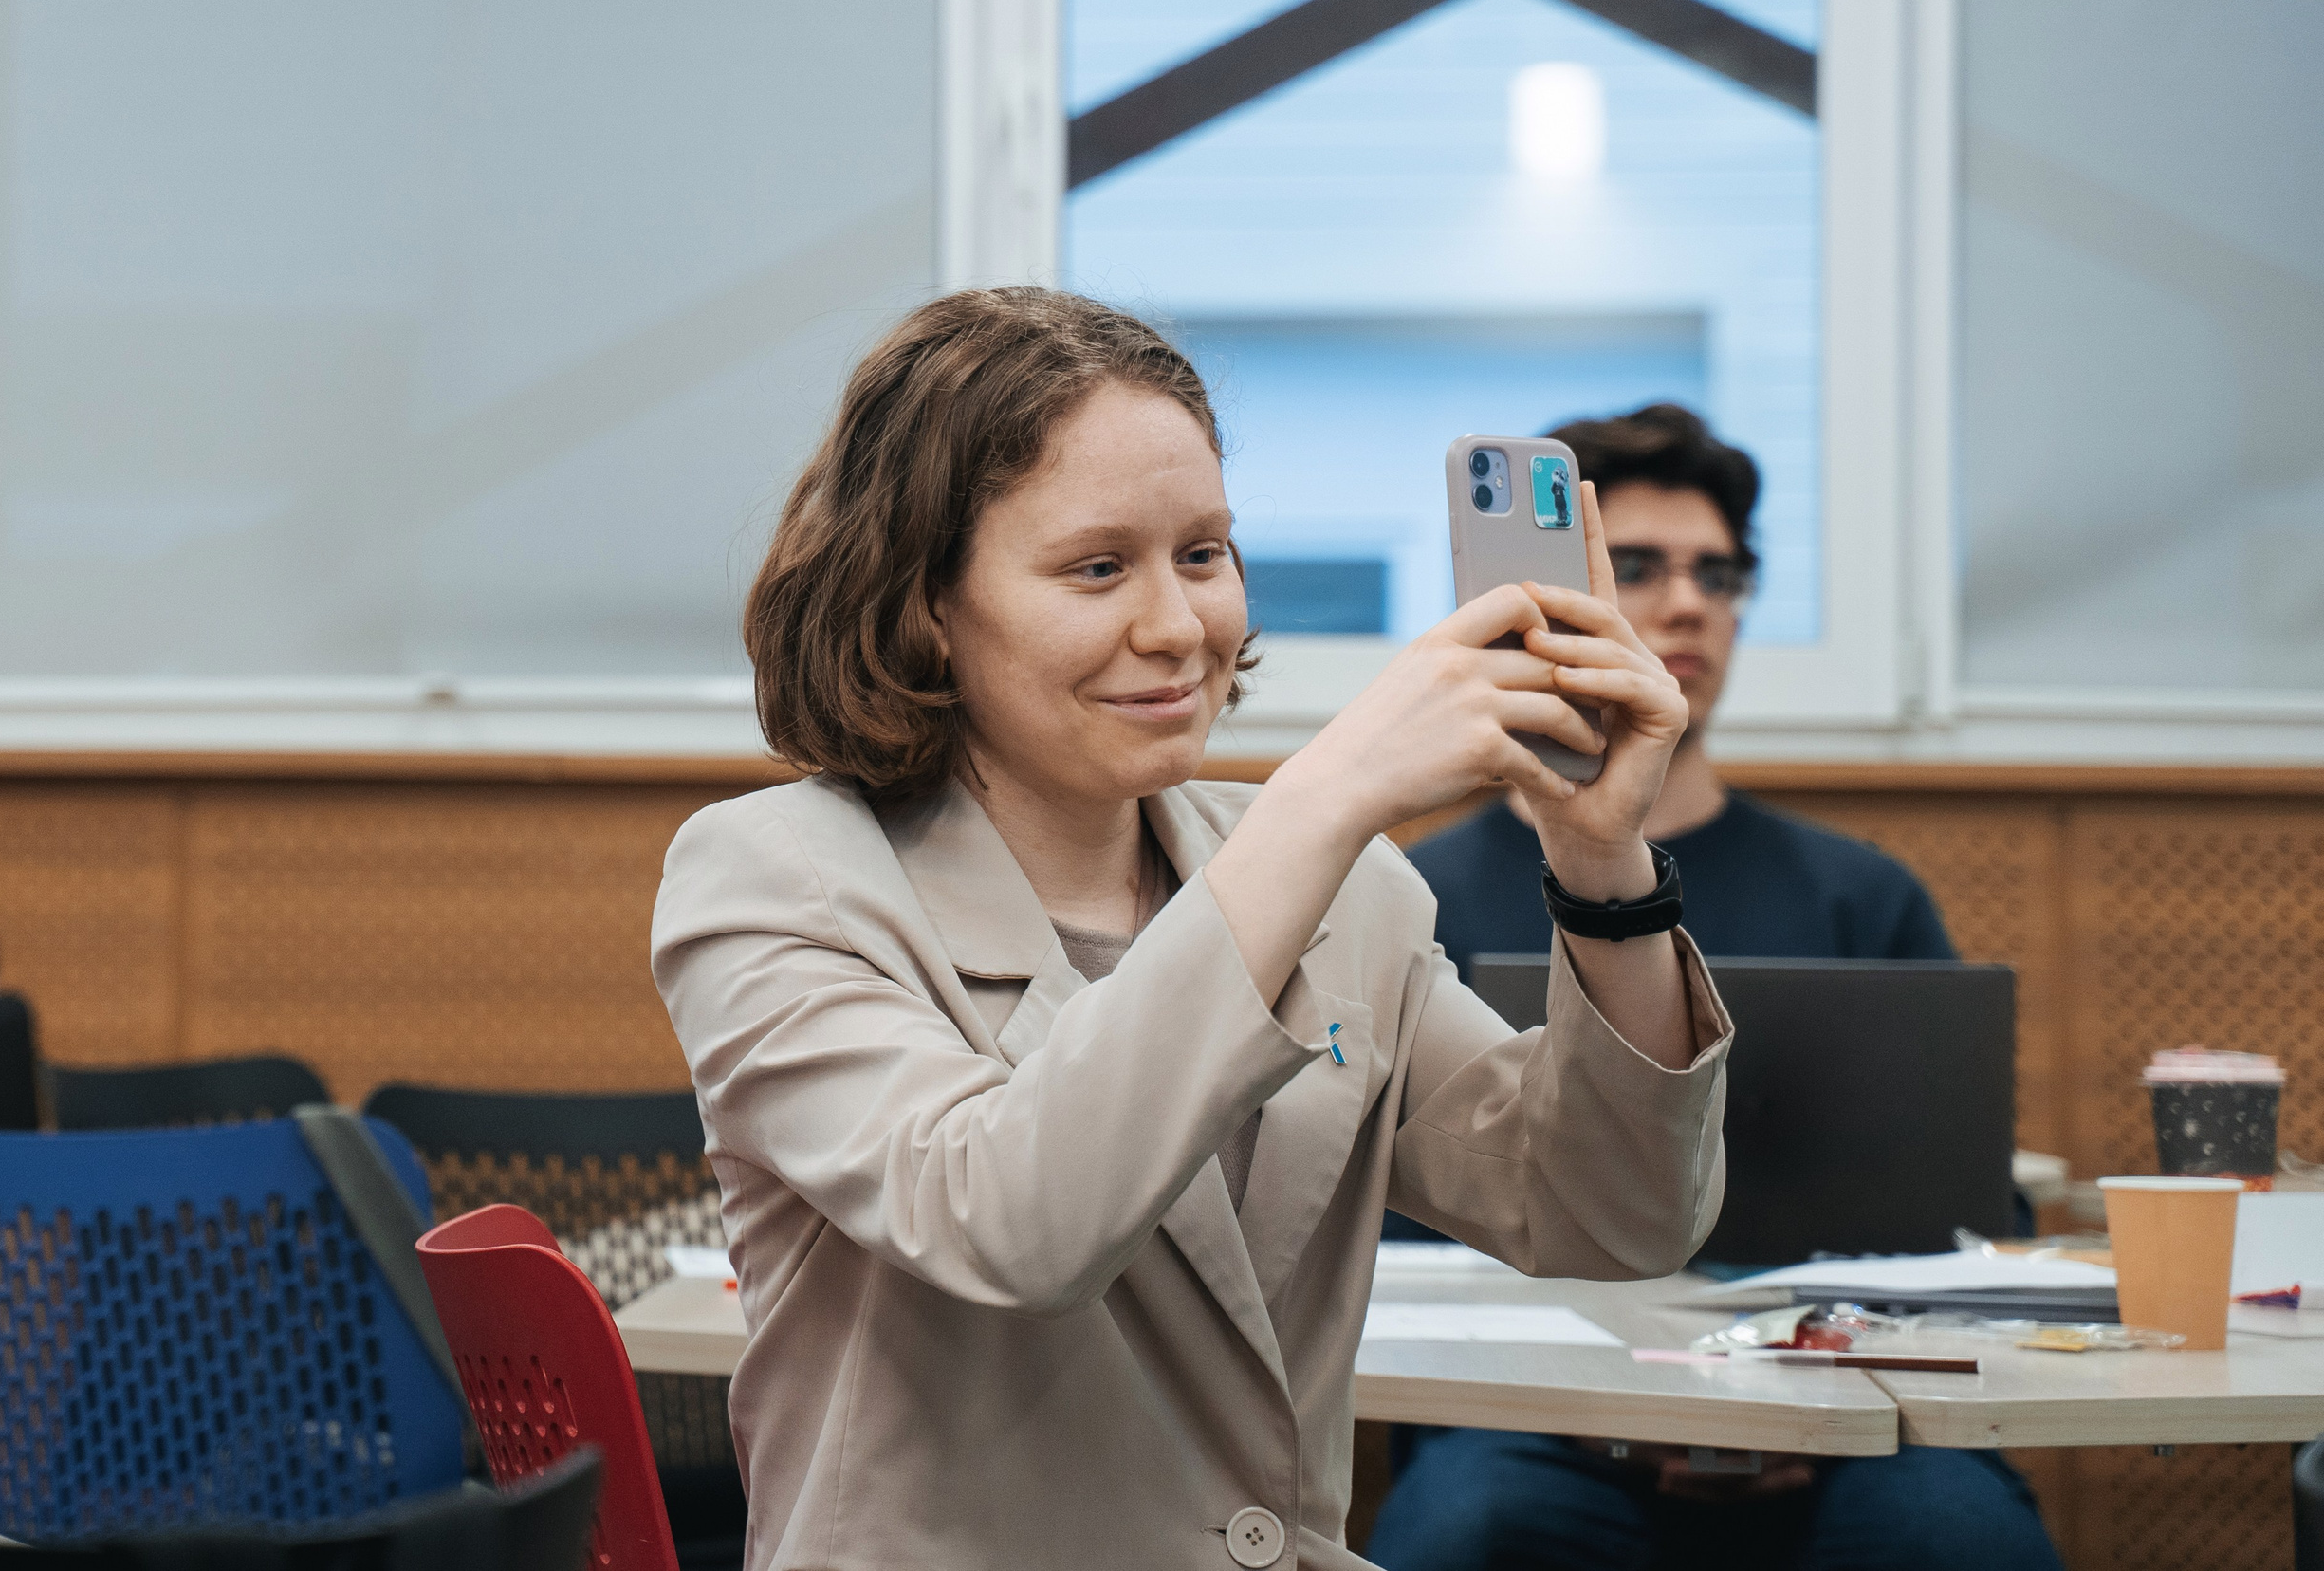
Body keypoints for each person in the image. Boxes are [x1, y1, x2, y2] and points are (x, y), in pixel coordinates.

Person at [651, 290, 1736, 1570]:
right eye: (1097, 566)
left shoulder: (1340, 886)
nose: (1179, 626)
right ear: (928, 601)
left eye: (1205, 553)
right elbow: (1008, 1216)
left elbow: (1614, 1216)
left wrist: (1604, 860)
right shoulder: (776, 876)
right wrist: (1326, 794)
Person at [1367, 402, 2060, 1571]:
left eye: (1719, 574)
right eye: (1634, 568)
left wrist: (1807, 1391)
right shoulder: (1410, 898)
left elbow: (1974, 1226)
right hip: (1535, 1423)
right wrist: (1609, 1408)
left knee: (1967, 1542)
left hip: (1849, 1414)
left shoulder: (1860, 895)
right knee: (1465, 1531)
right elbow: (1374, 1236)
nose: (1688, 603)